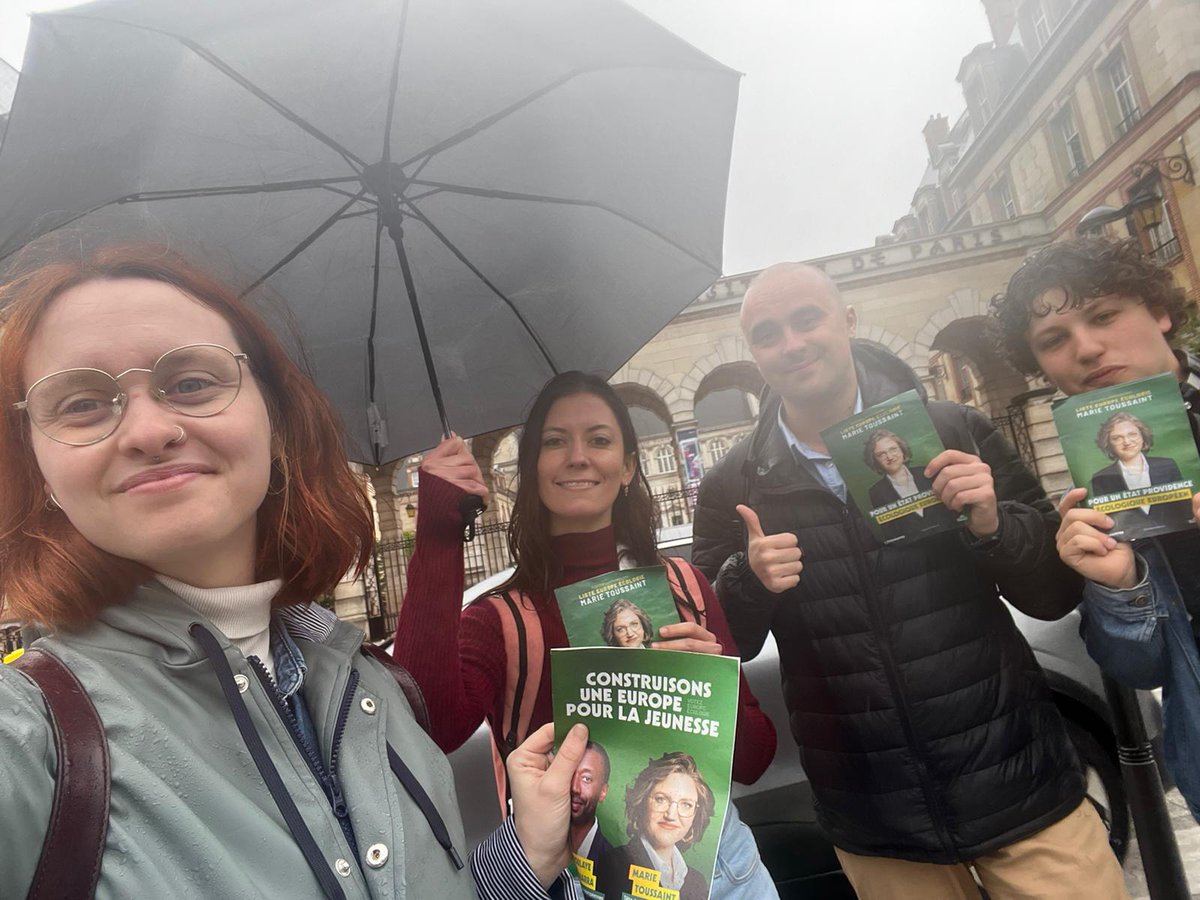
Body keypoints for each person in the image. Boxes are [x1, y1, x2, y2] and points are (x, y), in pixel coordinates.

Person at [0, 244, 589, 899]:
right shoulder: (32, 739)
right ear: (38, 469)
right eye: (82, 403)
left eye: (191, 382)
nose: (147, 429)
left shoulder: (371, 680)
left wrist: (526, 859)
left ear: (275, 422)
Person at [693, 262, 1128, 900]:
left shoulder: (952, 429)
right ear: (754, 354)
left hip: (1021, 787)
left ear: (846, 321)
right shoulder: (733, 484)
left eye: (806, 319)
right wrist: (749, 581)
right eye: (767, 333)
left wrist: (992, 525)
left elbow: (1053, 593)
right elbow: (724, 644)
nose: (791, 344)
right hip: (877, 820)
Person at [394, 371, 780, 898]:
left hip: (717, 874)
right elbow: (428, 728)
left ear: (627, 468)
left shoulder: (684, 585)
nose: (578, 456)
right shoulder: (501, 619)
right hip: (584, 880)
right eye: (555, 442)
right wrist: (439, 536)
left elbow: (756, 759)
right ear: (531, 470)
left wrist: (714, 689)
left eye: (599, 440)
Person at [991, 235, 1200, 821]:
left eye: (1104, 315)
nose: (1086, 348)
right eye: (1054, 340)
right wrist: (1119, 586)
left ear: (1158, 311)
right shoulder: (1096, 491)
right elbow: (1142, 670)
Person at [594, 753, 716, 900]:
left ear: (695, 815)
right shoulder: (610, 865)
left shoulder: (697, 881)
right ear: (642, 801)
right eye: (661, 799)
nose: (671, 815)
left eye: (686, 804)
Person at [1088, 411, 1191, 536]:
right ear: (1108, 444)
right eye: (1117, 438)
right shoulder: (1100, 479)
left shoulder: (1167, 465)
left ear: (1143, 437)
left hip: (1180, 539)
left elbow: (1185, 511)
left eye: (1132, 434)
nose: (1127, 441)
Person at [862, 428, 957, 541]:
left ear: (902, 450)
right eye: (881, 454)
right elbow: (891, 533)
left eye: (893, 449)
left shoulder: (927, 473)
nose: (889, 457)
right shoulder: (876, 492)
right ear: (875, 460)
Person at [570, 741, 615, 863]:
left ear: (603, 792)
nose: (574, 788)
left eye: (586, 779)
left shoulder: (613, 863)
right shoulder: (541, 839)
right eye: (570, 773)